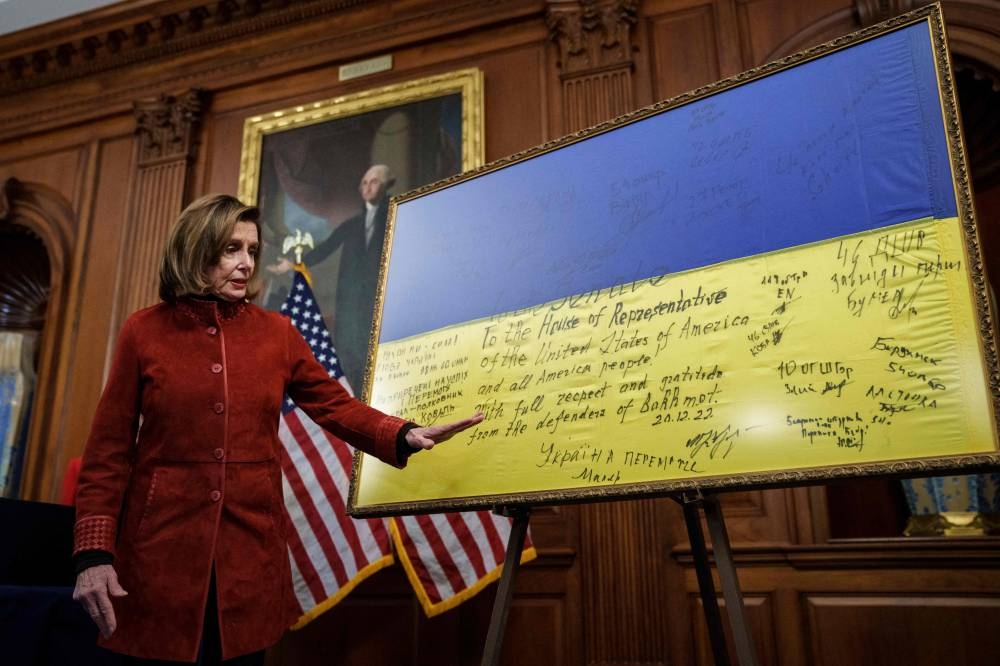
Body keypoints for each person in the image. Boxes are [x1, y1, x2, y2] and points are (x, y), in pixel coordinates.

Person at [72, 194, 483, 665]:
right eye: (231, 249)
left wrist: (403, 432)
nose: (246, 263)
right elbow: (107, 454)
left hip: (250, 558)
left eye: (252, 250)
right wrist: (93, 556)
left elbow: (336, 407)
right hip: (158, 557)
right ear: (195, 249)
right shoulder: (142, 331)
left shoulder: (277, 333)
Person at [268, 164, 394, 391]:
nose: (367, 187)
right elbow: (325, 249)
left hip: (384, 303)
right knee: (352, 356)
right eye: (364, 183)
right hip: (352, 305)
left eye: (374, 182)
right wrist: (293, 265)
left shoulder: (396, 219)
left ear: (386, 185)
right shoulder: (352, 225)